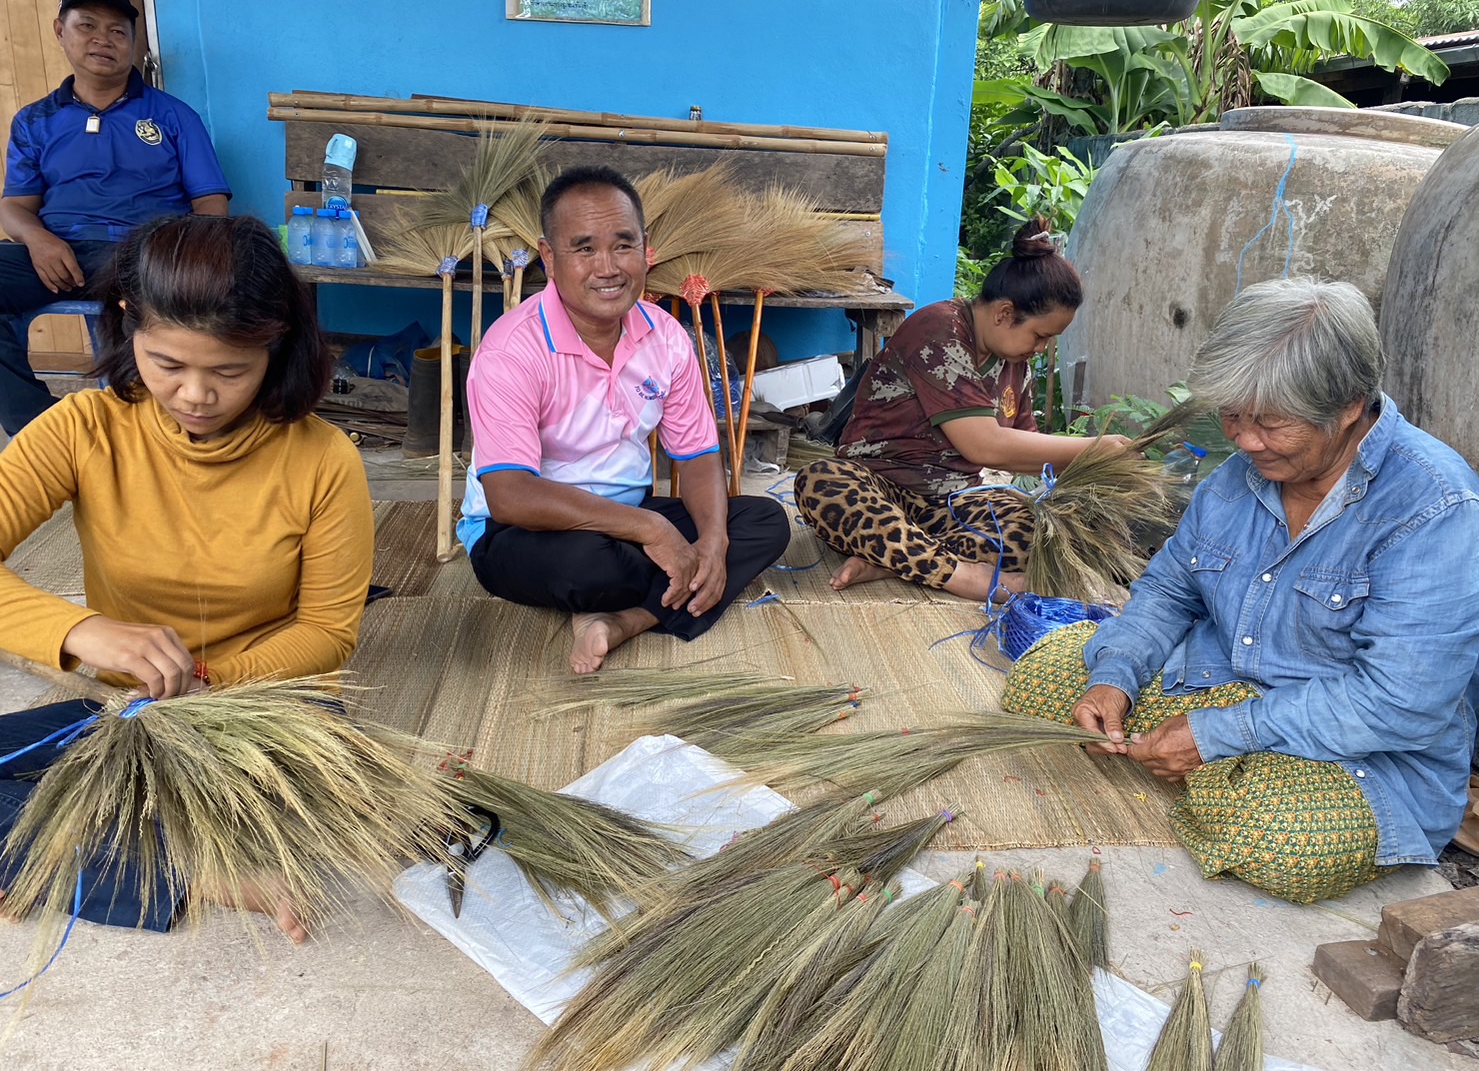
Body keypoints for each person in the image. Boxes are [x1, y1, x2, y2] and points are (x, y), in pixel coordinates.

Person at [1003, 277, 1479, 903]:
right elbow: (1173, 589)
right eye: (1234, 415)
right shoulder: (1238, 477)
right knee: (1044, 677)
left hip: (1358, 750)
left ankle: (1204, 772)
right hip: (1216, 681)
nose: (1245, 440)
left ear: (1348, 407)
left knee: (1281, 840)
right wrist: (1115, 675)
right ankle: (1197, 770)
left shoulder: (1434, 504)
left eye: (1273, 423)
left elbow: (1400, 701)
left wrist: (1215, 734)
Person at [0, 214, 374, 940]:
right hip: (128, 711)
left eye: (229, 370)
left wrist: (210, 676)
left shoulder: (324, 459)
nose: (195, 394)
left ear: (276, 346)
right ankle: (189, 872)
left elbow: (329, 631)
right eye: (167, 364)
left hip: (268, 714)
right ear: (125, 324)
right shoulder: (83, 429)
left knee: (281, 794)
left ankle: (60, 859)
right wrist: (80, 631)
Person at [458, 165, 791, 674]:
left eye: (623, 244)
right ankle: (649, 594)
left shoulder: (666, 336)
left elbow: (699, 455)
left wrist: (713, 543)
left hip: (626, 518)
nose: (608, 267)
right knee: (588, 565)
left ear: (645, 248)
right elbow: (511, 495)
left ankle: (624, 620)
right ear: (549, 258)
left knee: (763, 523)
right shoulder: (511, 350)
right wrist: (653, 530)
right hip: (524, 533)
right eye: (584, 248)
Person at [793, 217, 1133, 601]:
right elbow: (983, 446)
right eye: (1041, 336)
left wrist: (1092, 477)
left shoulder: (1014, 363)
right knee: (821, 484)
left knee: (1042, 537)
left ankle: (896, 558)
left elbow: (1026, 449)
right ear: (1004, 314)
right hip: (882, 490)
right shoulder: (940, 329)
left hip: (954, 505)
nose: (1041, 348)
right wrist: (1094, 447)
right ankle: (965, 577)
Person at [0, 0, 230, 436]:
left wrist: (185, 260)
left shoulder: (171, 115)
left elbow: (210, 202)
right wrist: (38, 239)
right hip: (56, 254)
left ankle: (147, 434)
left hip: (142, 253)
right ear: (59, 31)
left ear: (133, 44)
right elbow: (14, 205)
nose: (103, 40)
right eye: (87, 25)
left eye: (118, 31)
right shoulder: (36, 121)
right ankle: (43, 432)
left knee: (163, 324)